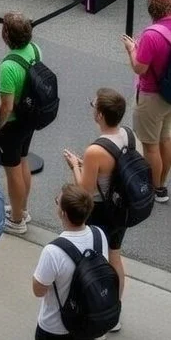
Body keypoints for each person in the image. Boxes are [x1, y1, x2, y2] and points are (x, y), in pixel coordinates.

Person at [32, 184, 107, 340]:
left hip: (56, 327)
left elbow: (38, 290)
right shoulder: (98, 235)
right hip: (85, 321)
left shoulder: (53, 251)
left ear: (63, 213)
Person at [63, 88, 130, 320]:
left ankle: (97, 310)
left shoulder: (95, 150)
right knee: (115, 256)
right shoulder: (128, 135)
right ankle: (114, 310)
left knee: (95, 263)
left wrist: (76, 166)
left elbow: (85, 191)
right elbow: (115, 170)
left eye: (94, 105)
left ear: (100, 115)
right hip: (121, 208)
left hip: (101, 211)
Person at [122, 0, 171, 200]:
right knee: (166, 138)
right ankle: (162, 185)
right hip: (169, 95)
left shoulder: (151, 35)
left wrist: (132, 49)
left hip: (152, 95)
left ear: (152, 5)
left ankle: (152, 190)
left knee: (150, 146)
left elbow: (140, 68)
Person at [0, 11, 40, 235]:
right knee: (23, 162)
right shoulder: (34, 49)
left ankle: (16, 220)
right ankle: (21, 209)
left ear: (6, 35)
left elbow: (6, 106)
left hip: (12, 125)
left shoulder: (7, 67)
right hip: (29, 119)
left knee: (12, 171)